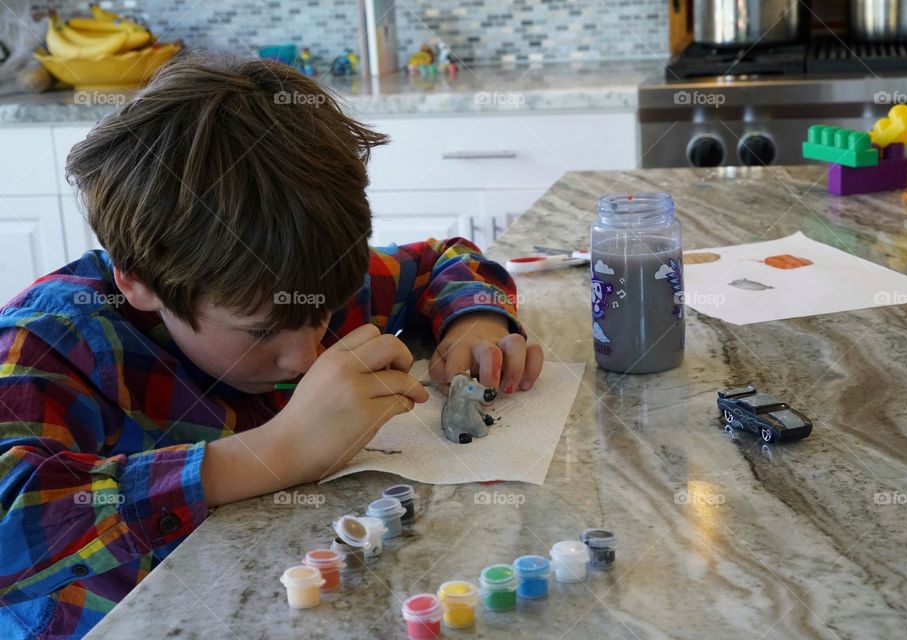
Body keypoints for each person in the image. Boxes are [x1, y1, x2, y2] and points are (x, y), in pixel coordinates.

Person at [0, 56, 542, 638]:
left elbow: (446, 259)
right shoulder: (52, 341)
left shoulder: (298, 285)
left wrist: (476, 324)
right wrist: (278, 451)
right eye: (260, 333)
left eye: (327, 311)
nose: (306, 357)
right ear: (139, 281)